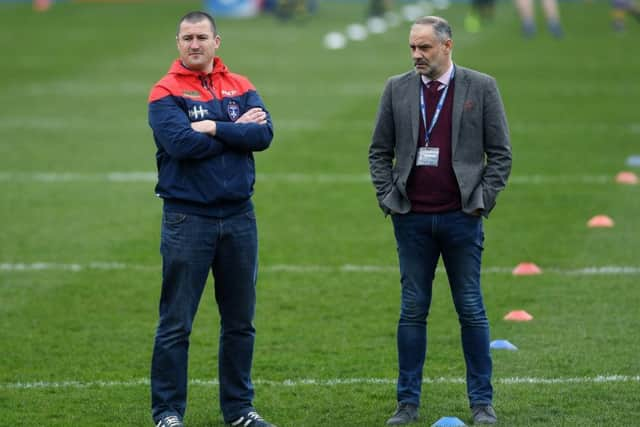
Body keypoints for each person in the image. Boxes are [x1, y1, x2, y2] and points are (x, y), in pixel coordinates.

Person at [368, 16, 511, 426]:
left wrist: (482, 200)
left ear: (447, 46)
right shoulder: (397, 88)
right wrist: (388, 197)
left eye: (425, 48)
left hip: (461, 218)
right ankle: (406, 404)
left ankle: (482, 403)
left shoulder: (481, 87)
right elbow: (379, 151)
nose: (416, 55)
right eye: (412, 47)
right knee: (412, 310)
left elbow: (500, 153)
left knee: (471, 309)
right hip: (411, 219)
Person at [147, 11, 275, 427]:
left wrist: (213, 128)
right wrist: (234, 128)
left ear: (217, 41)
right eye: (187, 38)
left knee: (240, 323)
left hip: (240, 217)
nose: (194, 44)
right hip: (189, 219)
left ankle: (239, 411)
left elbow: (264, 136)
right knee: (176, 324)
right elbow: (181, 143)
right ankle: (167, 413)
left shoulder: (242, 84)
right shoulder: (164, 92)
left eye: (202, 37)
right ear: (178, 42)